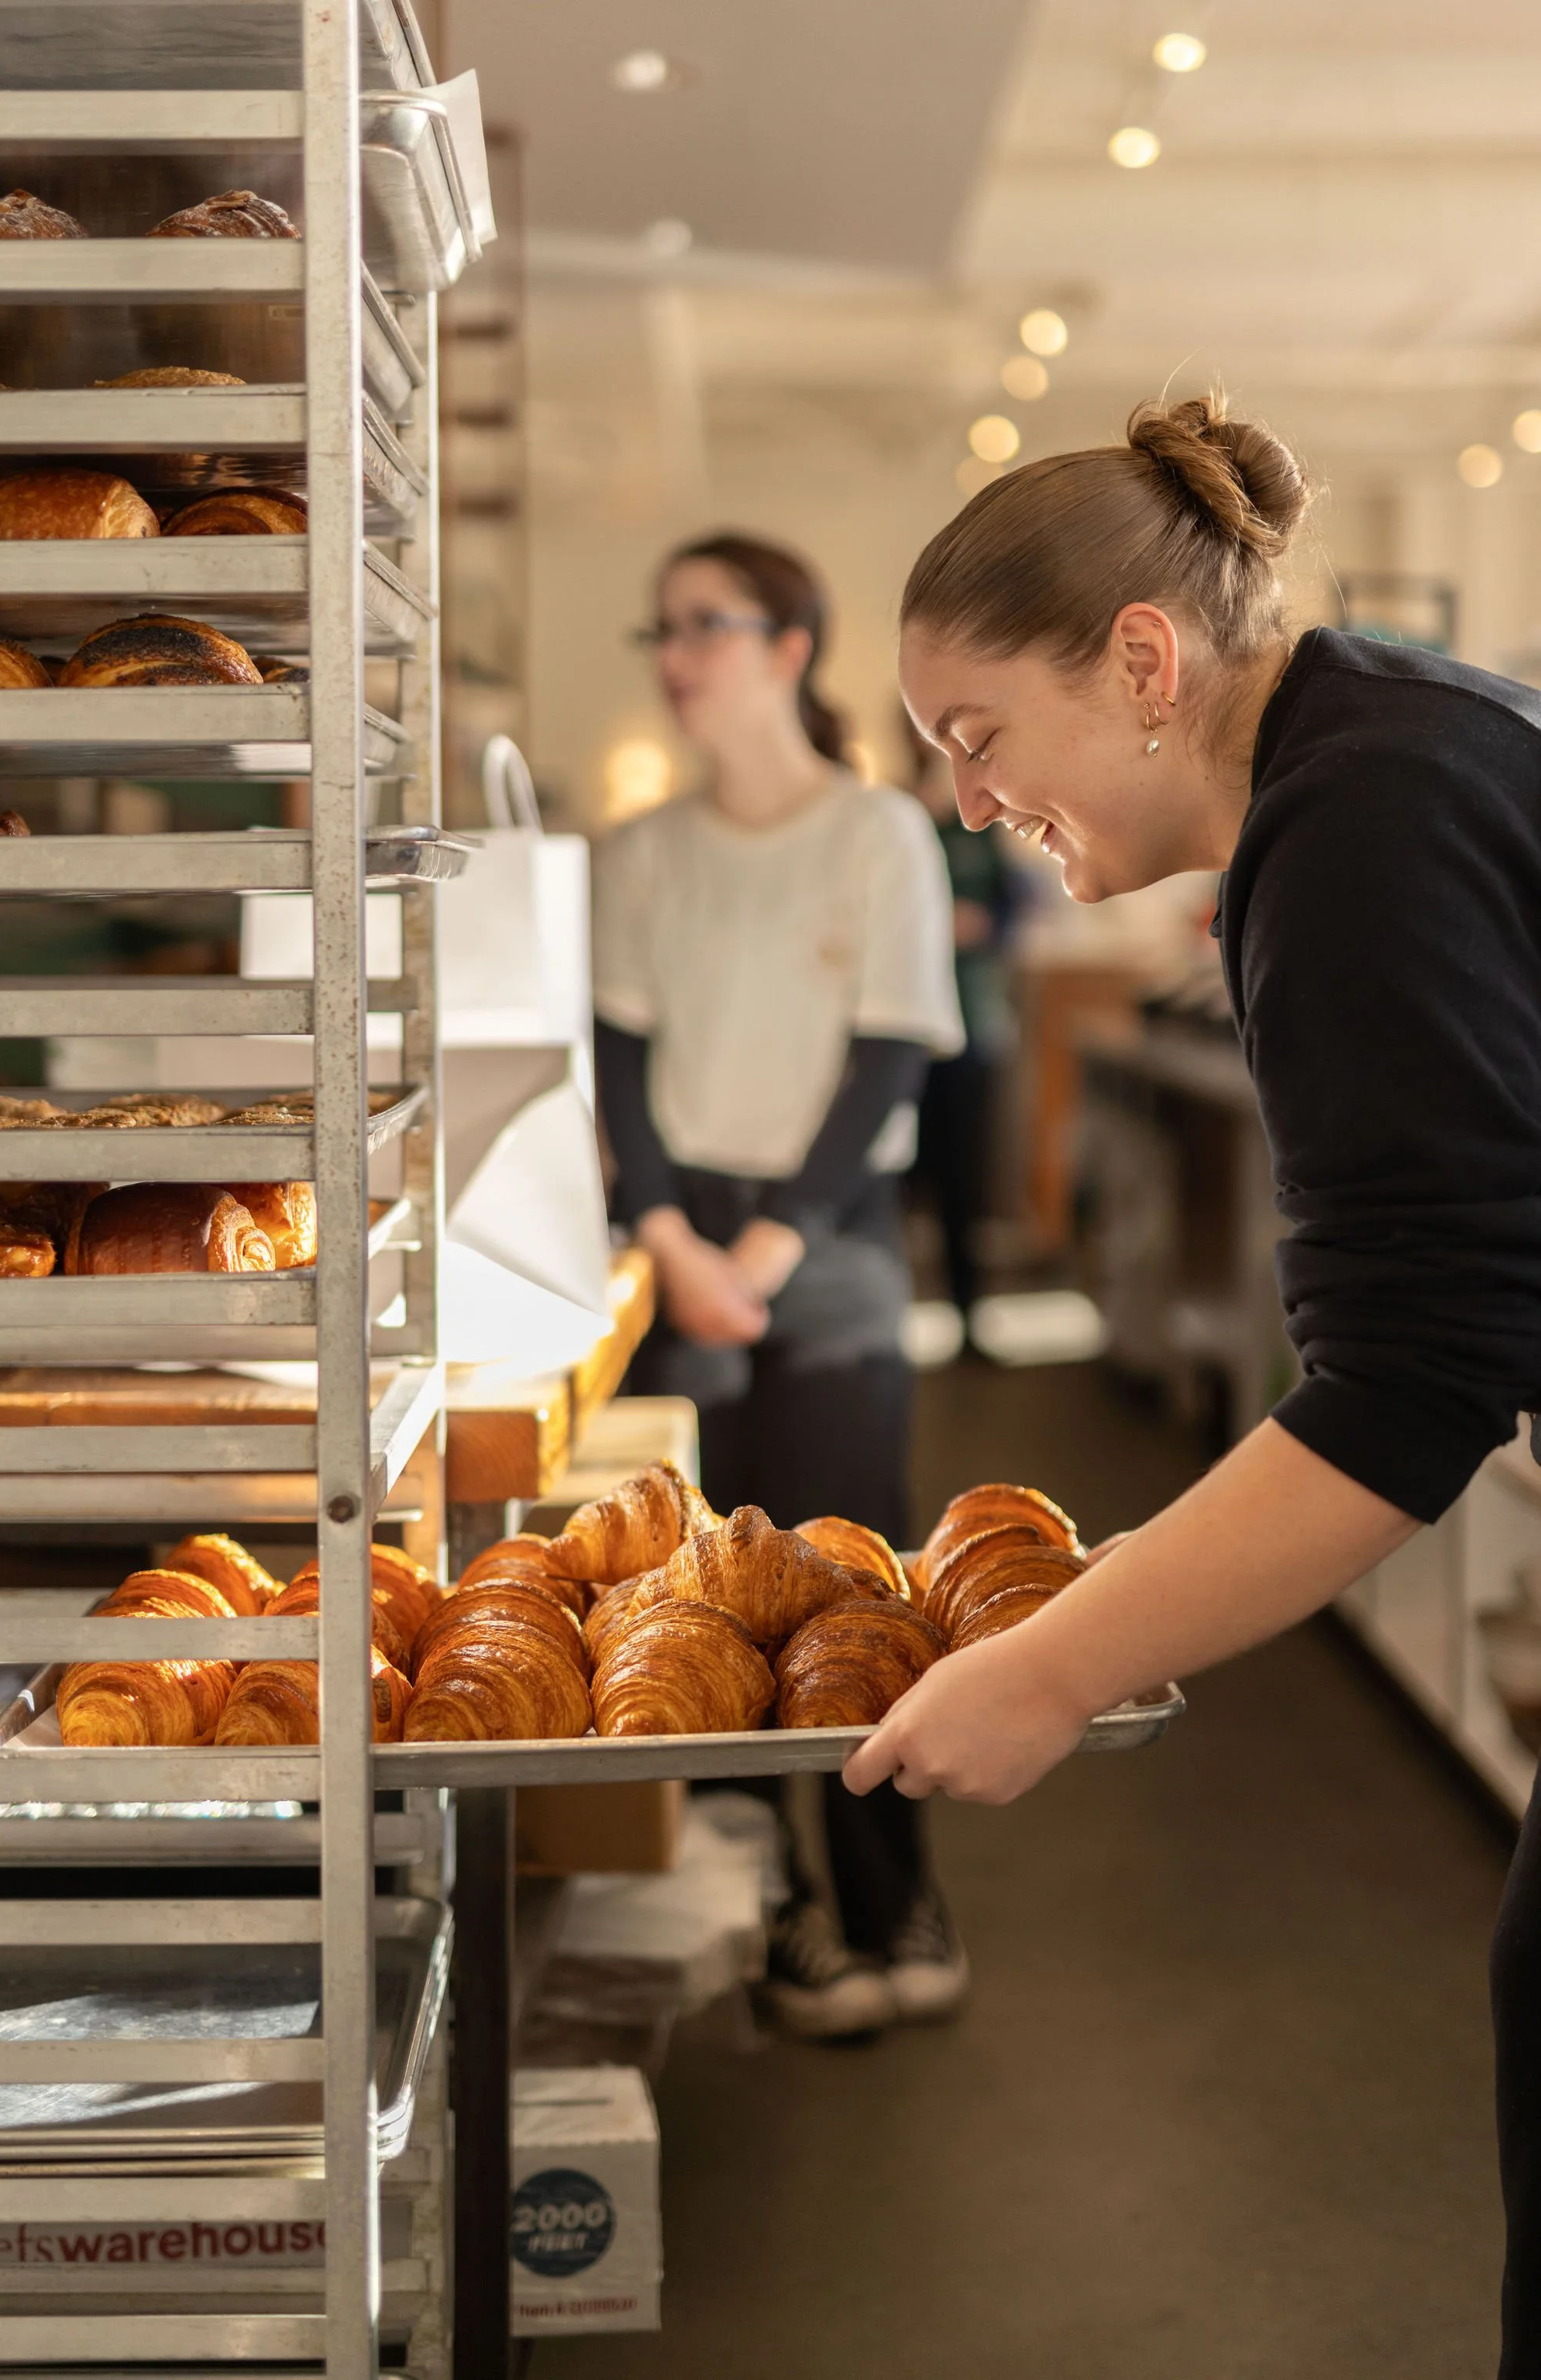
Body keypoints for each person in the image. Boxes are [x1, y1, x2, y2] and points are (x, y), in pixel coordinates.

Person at [841, 388, 1541, 2373]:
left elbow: (1413, 1380)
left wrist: (1047, 1663)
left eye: (977, 738)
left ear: (1140, 663)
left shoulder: (1358, 822)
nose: (967, 803)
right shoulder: (1379, 742)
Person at [592, 530, 966, 2037]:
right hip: (677, 1237)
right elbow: (615, 1072)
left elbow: (888, 1051)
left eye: (708, 624)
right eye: (665, 627)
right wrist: (674, 1240)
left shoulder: (877, 832)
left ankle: (895, 1888)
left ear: (791, 645)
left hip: (830, 1236)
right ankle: (777, 1903)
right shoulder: (643, 854)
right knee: (710, 1590)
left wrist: (774, 1244)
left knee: (846, 1575)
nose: (677, 654)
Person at [903, 715, 1030, 1328]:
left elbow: (1016, 902)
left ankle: (968, 1312)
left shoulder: (978, 824)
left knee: (966, 1179)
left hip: (975, 1020)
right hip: (907, 1031)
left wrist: (986, 926)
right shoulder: (899, 819)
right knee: (904, 1176)